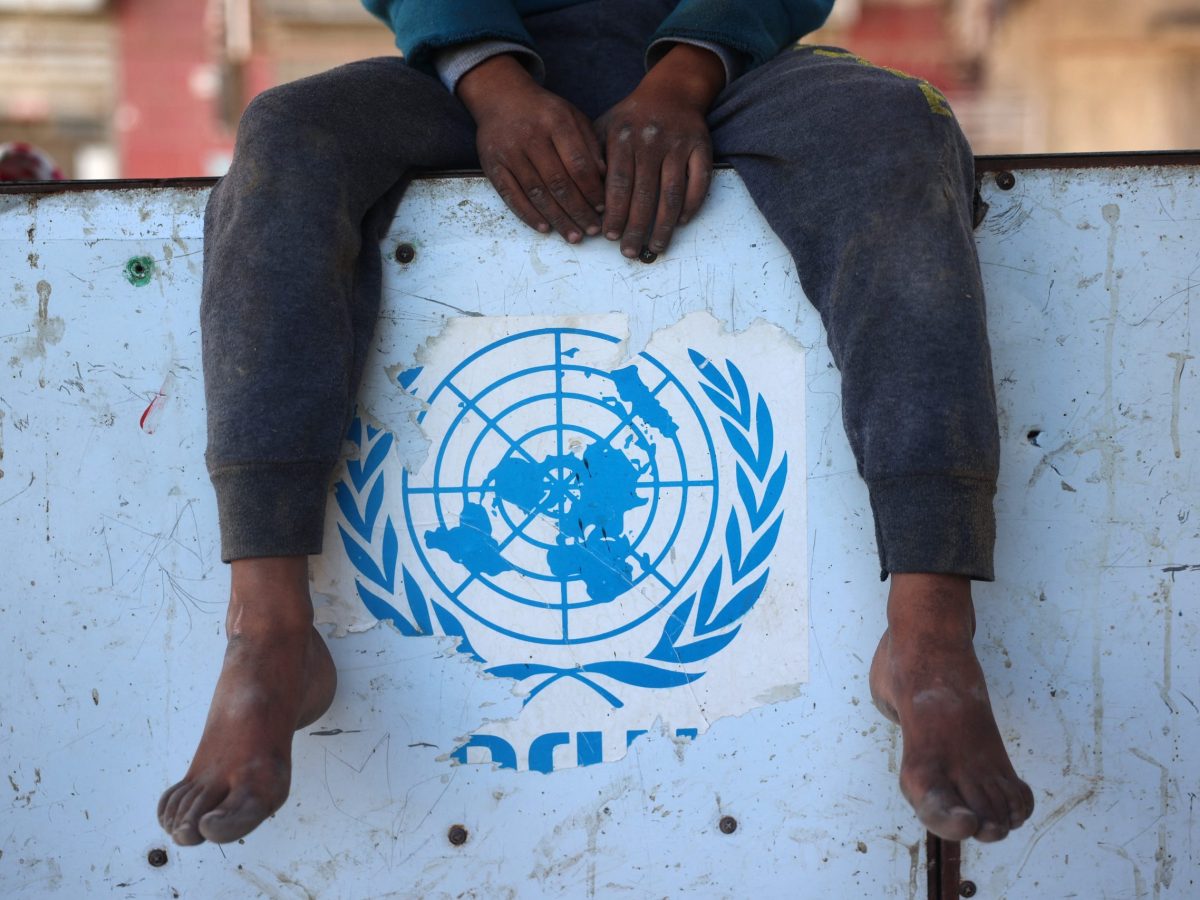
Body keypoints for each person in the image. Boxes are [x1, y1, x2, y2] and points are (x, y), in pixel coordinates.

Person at [157, 0, 1034, 847]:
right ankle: (269, 635)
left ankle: (928, 637)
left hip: (730, 67)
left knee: (898, 124)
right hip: (472, 75)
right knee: (284, 135)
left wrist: (686, 75)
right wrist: (492, 82)